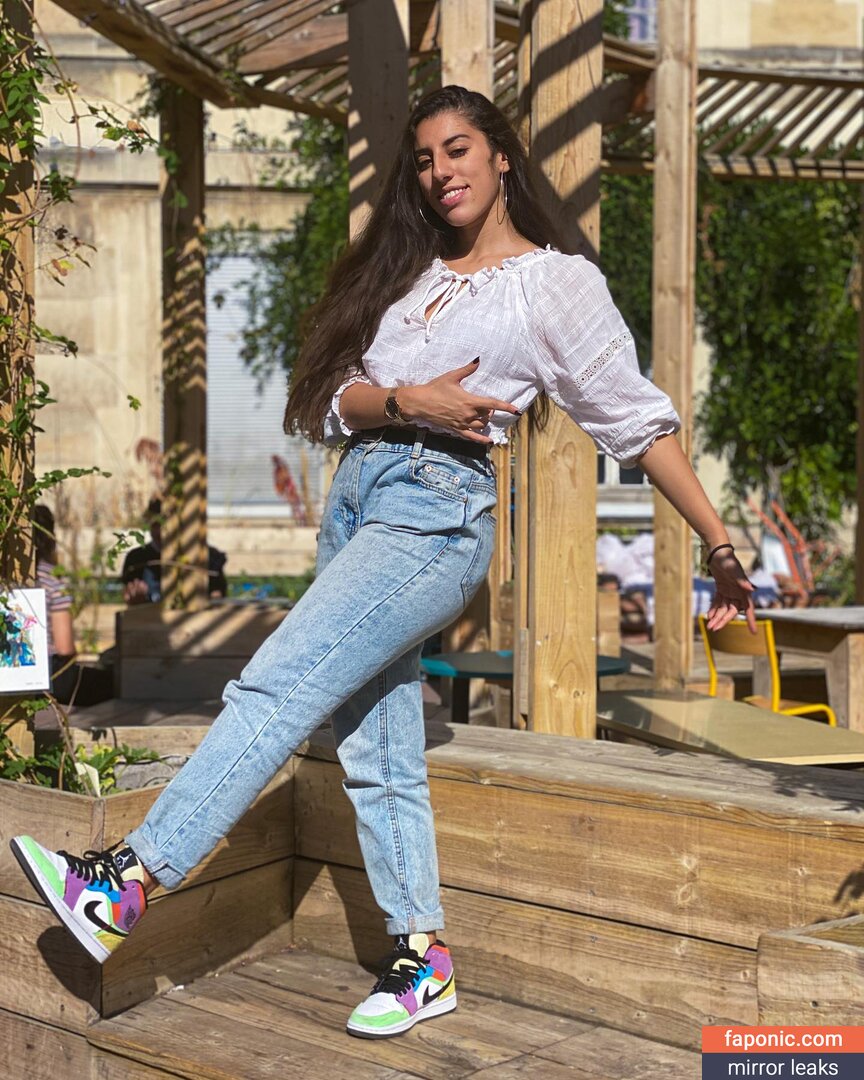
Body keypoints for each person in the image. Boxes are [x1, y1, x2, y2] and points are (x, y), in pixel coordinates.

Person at [10, 86, 755, 1041]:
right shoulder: (409, 273)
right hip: (359, 500)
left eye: (459, 150)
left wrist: (720, 545)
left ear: (502, 158)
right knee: (378, 747)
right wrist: (409, 400)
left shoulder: (552, 285)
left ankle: (129, 880)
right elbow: (330, 400)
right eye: (425, 159)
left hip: (436, 515)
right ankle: (422, 957)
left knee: (275, 683)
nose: (441, 172)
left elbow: (637, 422)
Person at [33, 504, 114, 706]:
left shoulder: (8, 581)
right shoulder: (51, 581)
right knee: (112, 682)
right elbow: (64, 647)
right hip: (48, 675)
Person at [122, 497, 228, 604]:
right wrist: (136, 598)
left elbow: (217, 596)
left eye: (167, 525)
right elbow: (130, 599)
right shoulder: (136, 559)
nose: (160, 532)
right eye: (155, 525)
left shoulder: (209, 557)